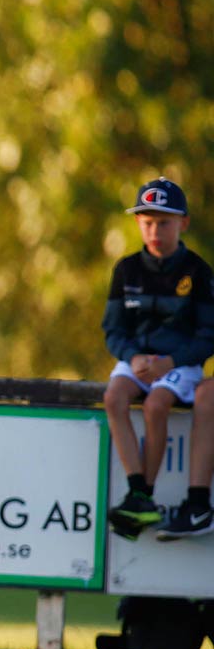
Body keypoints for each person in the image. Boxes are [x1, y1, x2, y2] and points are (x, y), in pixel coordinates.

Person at [101, 177, 214, 539]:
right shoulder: (126, 269)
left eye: (163, 222)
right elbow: (113, 330)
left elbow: (207, 337)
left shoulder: (198, 272)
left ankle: (143, 496)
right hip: (138, 360)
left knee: (156, 405)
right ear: (137, 223)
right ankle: (138, 491)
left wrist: (171, 362)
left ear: (183, 223)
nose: (154, 230)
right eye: (147, 222)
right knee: (113, 397)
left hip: (179, 363)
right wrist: (132, 357)